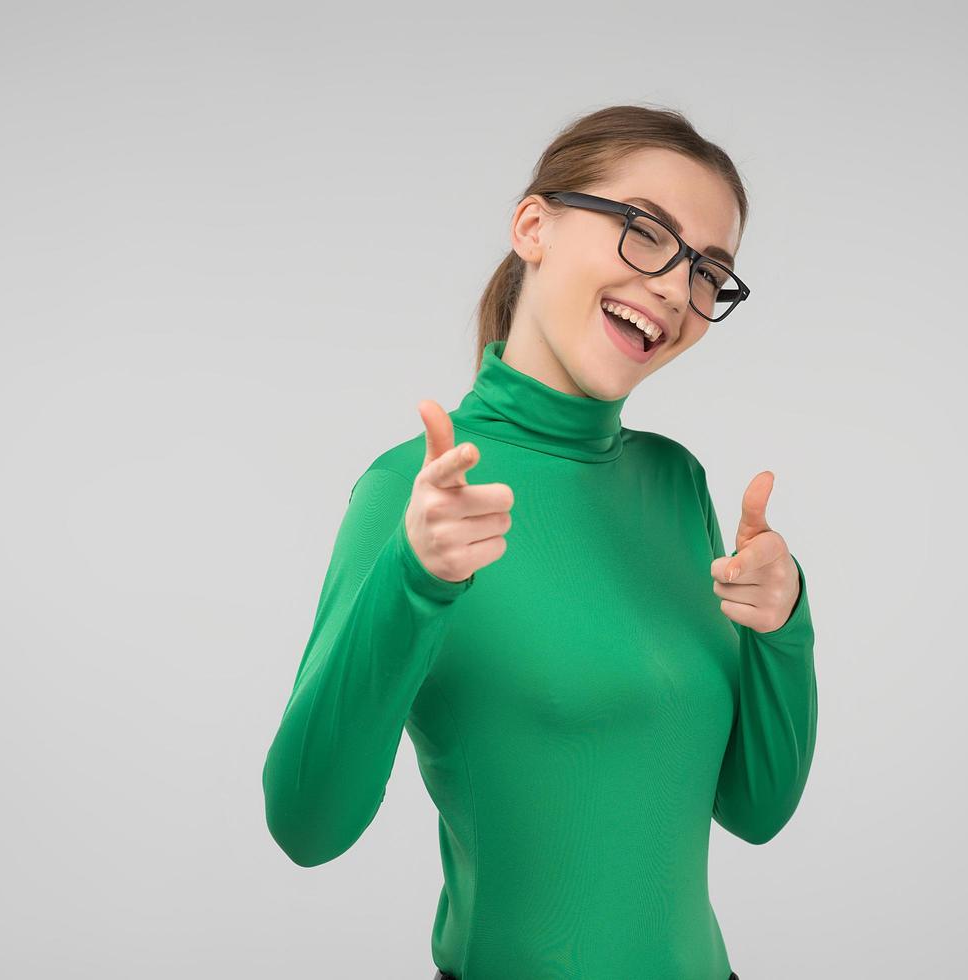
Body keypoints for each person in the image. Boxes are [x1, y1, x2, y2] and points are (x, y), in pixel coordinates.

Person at [262, 104, 816, 980]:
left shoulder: (676, 485)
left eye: (710, 270)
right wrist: (414, 581)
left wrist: (784, 626)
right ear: (534, 226)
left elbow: (755, 807)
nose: (677, 288)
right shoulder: (410, 496)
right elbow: (306, 824)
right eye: (647, 232)